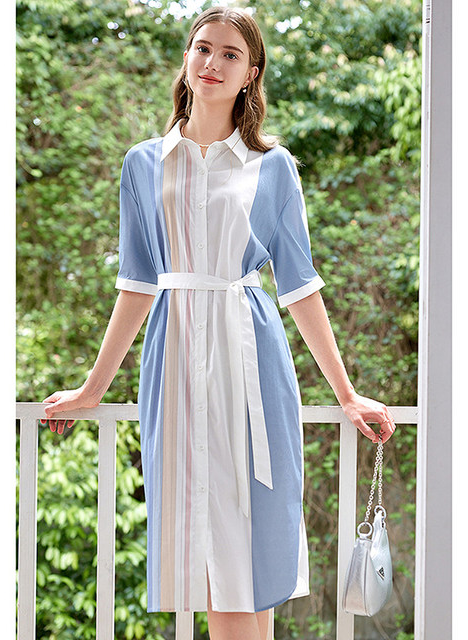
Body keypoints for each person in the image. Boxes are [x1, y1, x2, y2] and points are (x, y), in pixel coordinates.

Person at [41, 6, 396, 640]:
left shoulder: (273, 166)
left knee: (250, 555)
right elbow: (136, 284)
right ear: (186, 58)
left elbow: (301, 286)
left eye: (231, 54)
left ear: (251, 73)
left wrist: (346, 395)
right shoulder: (143, 163)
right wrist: (94, 388)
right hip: (175, 358)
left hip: (250, 359)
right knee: (210, 558)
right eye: (202, 47)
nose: (212, 62)